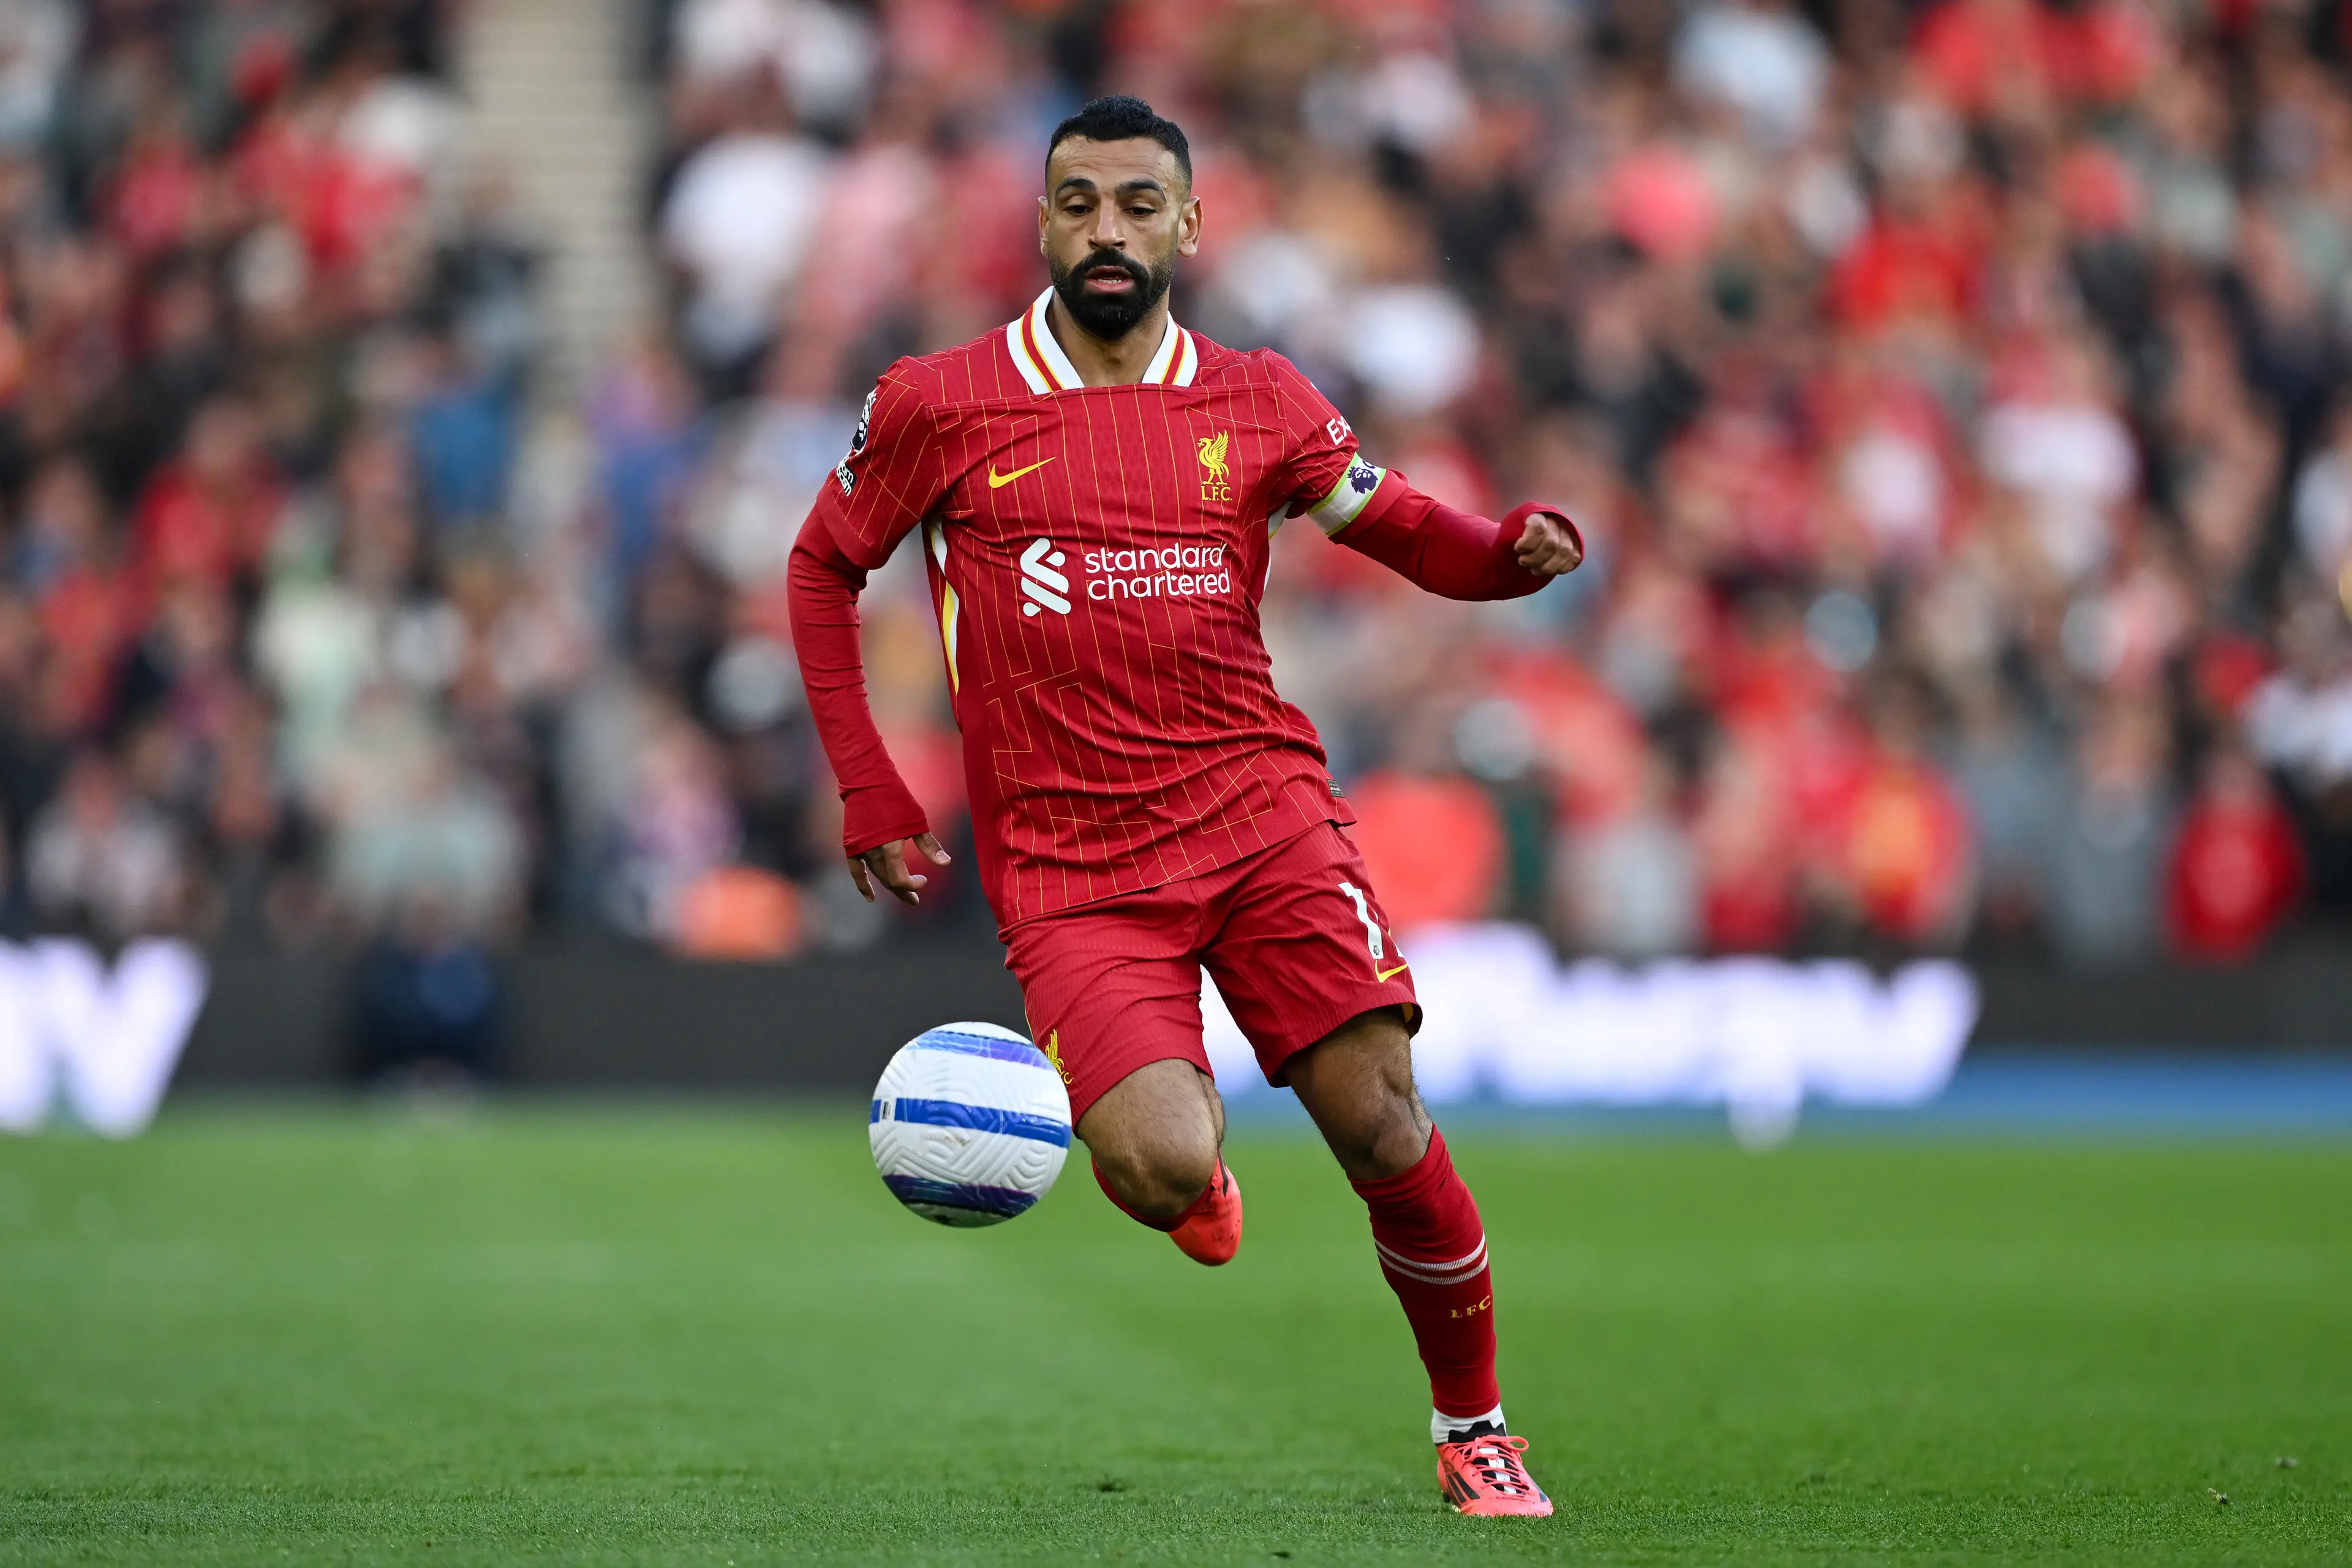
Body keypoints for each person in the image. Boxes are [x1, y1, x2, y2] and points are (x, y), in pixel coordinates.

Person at [787, 96, 1582, 1518]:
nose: (1107, 229)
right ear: (1042, 222)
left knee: (1383, 1122)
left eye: (1138, 205)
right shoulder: (940, 401)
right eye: (1080, 201)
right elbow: (819, 566)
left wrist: (1501, 557)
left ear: (1191, 225)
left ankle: (1479, 1427)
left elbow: (1393, 522)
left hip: (1258, 811)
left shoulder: (1261, 396)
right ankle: (1194, 1170)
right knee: (1155, 1168)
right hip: (1073, 863)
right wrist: (868, 780)